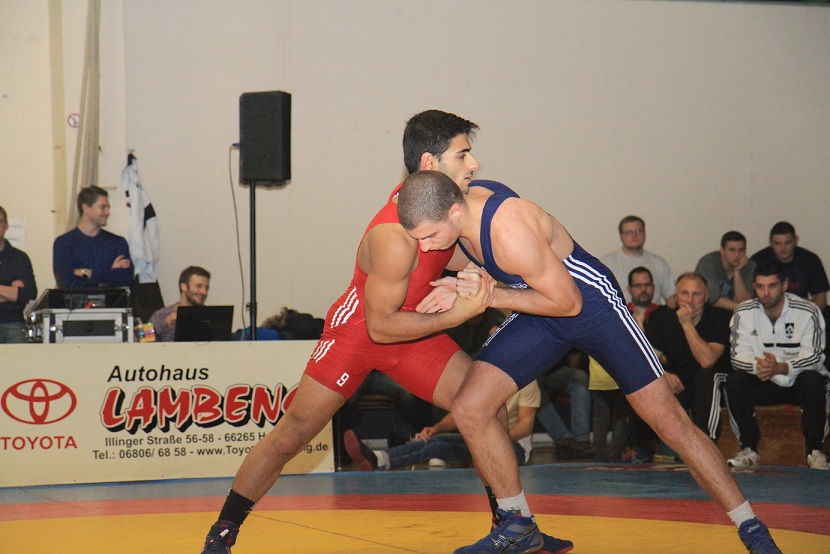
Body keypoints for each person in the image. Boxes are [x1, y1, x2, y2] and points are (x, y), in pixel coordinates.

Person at [199, 110, 572, 554]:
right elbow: (381, 325)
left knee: (481, 408)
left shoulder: (446, 209)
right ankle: (223, 532)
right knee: (292, 436)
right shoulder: (394, 233)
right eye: (463, 155)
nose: (473, 164)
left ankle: (514, 526)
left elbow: (460, 259)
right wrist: (455, 316)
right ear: (431, 163)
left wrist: (484, 278)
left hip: (414, 330)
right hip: (361, 331)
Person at [397, 171, 781, 553]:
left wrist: (487, 296)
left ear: (454, 211)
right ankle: (518, 525)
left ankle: (750, 526)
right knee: (470, 406)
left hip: (590, 307)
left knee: (669, 422)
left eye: (429, 236)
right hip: (538, 308)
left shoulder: (507, 230)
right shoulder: (456, 210)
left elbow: (569, 303)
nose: (426, 247)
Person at [725, 261, 829, 470]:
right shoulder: (743, 312)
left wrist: (782, 367)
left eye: (772, 286)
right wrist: (760, 366)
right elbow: (737, 357)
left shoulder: (807, 311)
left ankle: (815, 451)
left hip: (797, 382)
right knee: (735, 380)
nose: (766, 293)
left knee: (814, 379)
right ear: (754, 287)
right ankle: (749, 449)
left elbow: (814, 357)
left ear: (784, 285)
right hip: (763, 379)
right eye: (760, 287)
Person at [626, 273, 733, 460]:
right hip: (680, 382)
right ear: (676, 297)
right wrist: (663, 373)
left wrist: (687, 324)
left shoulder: (719, 317)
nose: (689, 300)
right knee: (645, 381)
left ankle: (705, 445)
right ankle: (643, 447)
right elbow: (649, 358)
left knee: (705, 376)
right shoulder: (664, 319)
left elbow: (707, 360)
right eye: (684, 294)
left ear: (706, 297)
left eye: (696, 294)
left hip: (714, 383)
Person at [344, 380, 540, 471]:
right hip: (484, 439)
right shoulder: (487, 379)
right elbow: (462, 413)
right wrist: (436, 428)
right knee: (435, 440)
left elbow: (525, 426)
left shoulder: (527, 382)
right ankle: (380, 458)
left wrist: (492, 437)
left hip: (515, 448)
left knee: (437, 446)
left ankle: (379, 459)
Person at [590, 267, 656, 463]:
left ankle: (603, 458)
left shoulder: (598, 315)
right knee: (620, 418)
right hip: (616, 378)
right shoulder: (622, 314)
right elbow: (634, 346)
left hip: (603, 379)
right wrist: (639, 323)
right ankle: (611, 457)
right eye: (638, 285)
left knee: (606, 418)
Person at [53, 186, 132, 289]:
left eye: (108, 207)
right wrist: (108, 274)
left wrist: (88, 273)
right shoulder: (64, 243)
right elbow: (65, 282)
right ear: (86, 208)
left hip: (112, 300)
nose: (108, 212)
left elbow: (126, 277)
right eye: (103, 207)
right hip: (76, 300)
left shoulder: (117, 242)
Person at [600, 215, 676, 307]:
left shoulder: (659, 264)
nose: (634, 236)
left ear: (644, 233)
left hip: (654, 315)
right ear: (621, 236)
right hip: (620, 315)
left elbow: (671, 298)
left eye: (638, 231)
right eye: (628, 232)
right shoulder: (607, 264)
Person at [751, 221, 829, 310]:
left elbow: (820, 297)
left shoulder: (810, 260)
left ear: (796, 240)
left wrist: (808, 314)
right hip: (766, 312)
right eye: (777, 243)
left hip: (801, 311)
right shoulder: (758, 261)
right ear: (770, 242)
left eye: (787, 243)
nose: (783, 248)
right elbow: (749, 298)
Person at [535, 351, 594, 460]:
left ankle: (582, 440)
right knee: (534, 389)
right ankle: (565, 439)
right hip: (530, 375)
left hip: (554, 373)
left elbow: (574, 354)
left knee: (579, 376)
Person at [0, 206, 37, 343]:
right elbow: (19, 294)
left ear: (6, 225)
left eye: (0, 221)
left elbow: (29, 294)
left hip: (13, 323)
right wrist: (11, 290)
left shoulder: (20, 258)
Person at [695, 231, 756, 312]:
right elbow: (713, 299)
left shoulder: (749, 266)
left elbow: (745, 300)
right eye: (732, 250)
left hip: (737, 314)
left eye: (741, 250)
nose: (737, 255)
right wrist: (744, 308)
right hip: (707, 312)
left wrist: (737, 271)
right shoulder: (708, 263)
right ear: (722, 250)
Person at [148, 266, 210, 342]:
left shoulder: (211, 317)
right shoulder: (158, 316)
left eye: (206, 288)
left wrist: (183, 320)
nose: (204, 292)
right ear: (183, 287)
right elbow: (146, 346)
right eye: (198, 286)